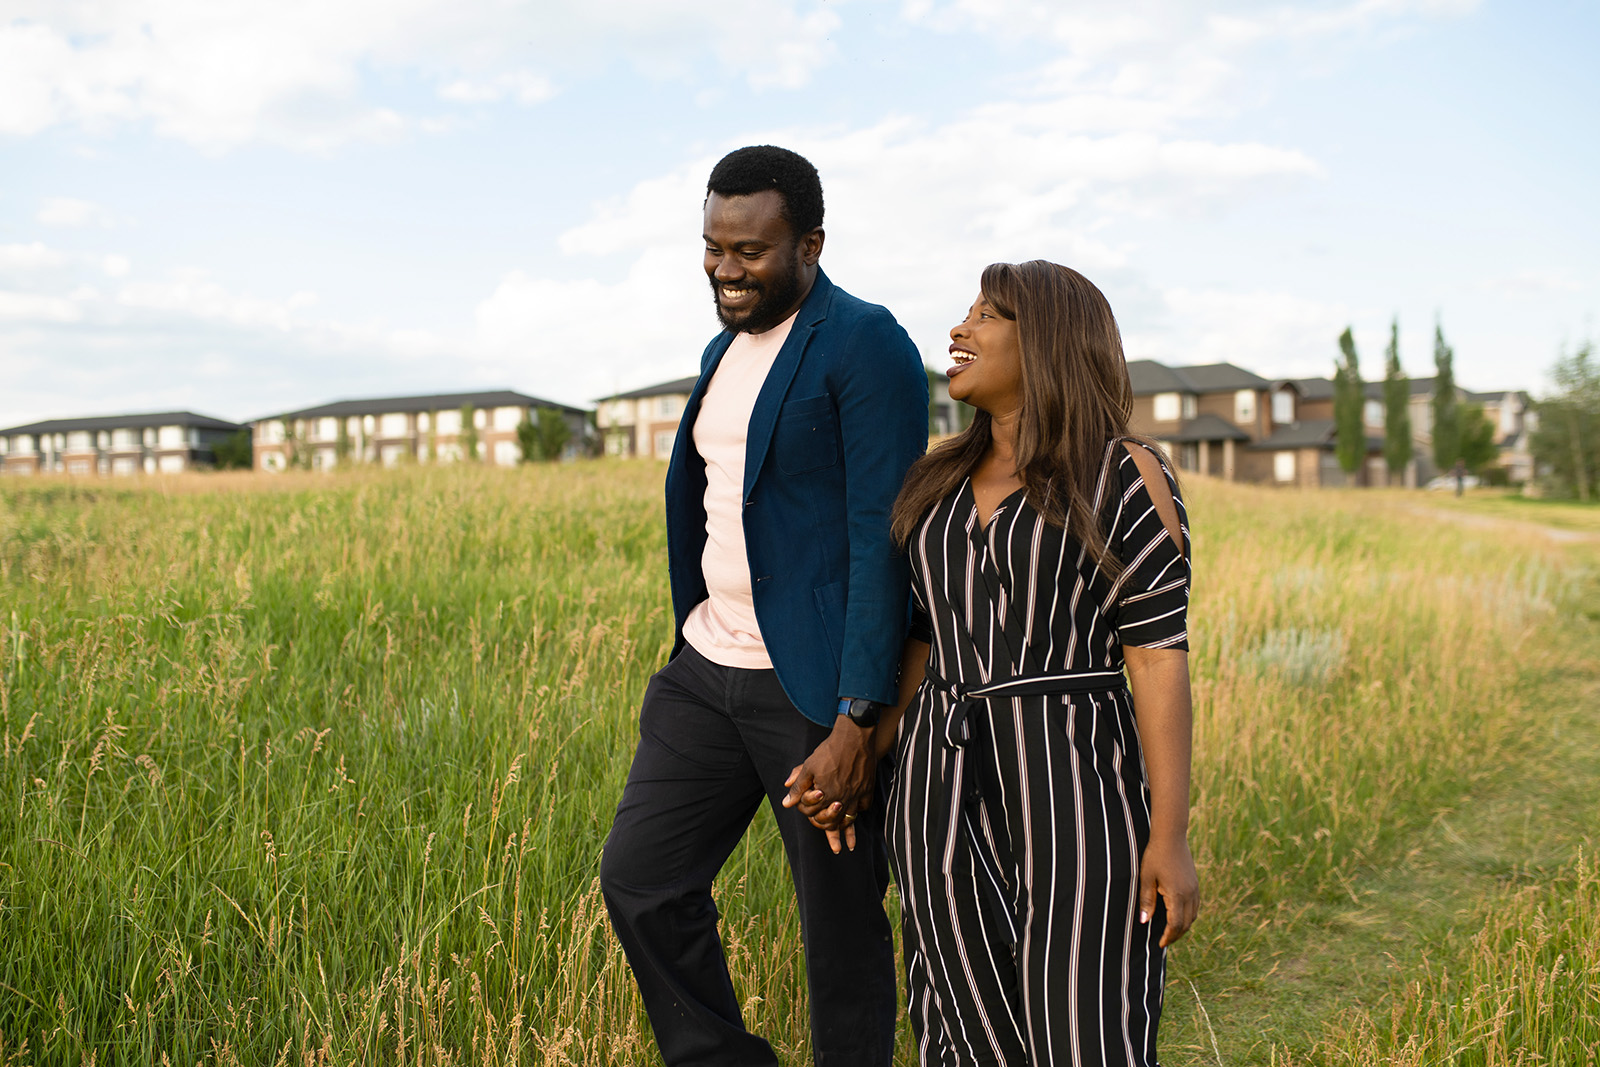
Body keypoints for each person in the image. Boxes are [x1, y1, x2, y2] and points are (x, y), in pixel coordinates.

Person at [792, 260, 1199, 1065]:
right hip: (937, 785)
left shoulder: (1124, 473)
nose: (960, 329)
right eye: (966, 312)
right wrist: (863, 756)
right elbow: (922, 641)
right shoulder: (934, 483)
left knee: (1087, 1026)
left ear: (1046, 340)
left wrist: (1170, 834)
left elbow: (1157, 660)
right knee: (962, 1028)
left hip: (1076, 780)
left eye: (987, 315)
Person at [599, 145, 928, 1067]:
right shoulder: (723, 348)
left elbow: (884, 533)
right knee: (641, 880)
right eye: (713, 246)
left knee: (840, 926)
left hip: (815, 689)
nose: (725, 269)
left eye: (750, 250)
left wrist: (860, 715)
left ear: (810, 245)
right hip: (707, 671)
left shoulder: (866, 343)